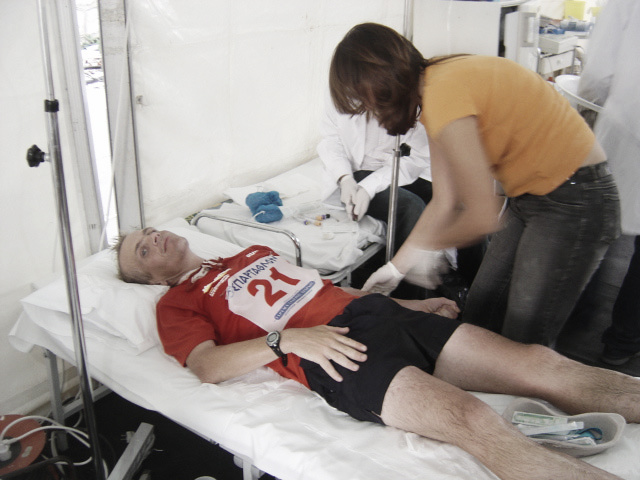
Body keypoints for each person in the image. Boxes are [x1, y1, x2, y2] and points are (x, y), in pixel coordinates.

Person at [115, 226, 640, 480]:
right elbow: (206, 366)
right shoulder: (175, 302)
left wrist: (413, 302)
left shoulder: (253, 252)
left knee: (541, 365)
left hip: (380, 315)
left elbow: (331, 291)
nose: (155, 239)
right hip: (334, 352)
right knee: (472, 420)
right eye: (143, 249)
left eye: (151, 232)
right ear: (152, 277)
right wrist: (286, 341)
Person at [329, 22, 620, 348]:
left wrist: (426, 251)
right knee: (481, 313)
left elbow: (482, 216)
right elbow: (445, 201)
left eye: (368, 102)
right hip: (530, 197)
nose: (371, 113)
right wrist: (395, 269)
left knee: (522, 339)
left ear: (382, 83)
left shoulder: (444, 92)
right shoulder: (434, 91)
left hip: (575, 196)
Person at [318, 91, 485, 299]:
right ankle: (409, 300)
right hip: (354, 172)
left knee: (463, 206)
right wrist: (345, 179)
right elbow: (331, 141)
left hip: (395, 169)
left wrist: (371, 186)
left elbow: (417, 158)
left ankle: (473, 292)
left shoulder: (411, 98)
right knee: (411, 207)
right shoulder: (341, 92)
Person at [578, 0, 640, 365]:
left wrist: (589, 108)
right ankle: (623, 342)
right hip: (626, 127)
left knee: (596, 226)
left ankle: (573, 319)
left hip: (625, 126)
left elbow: (598, 74)